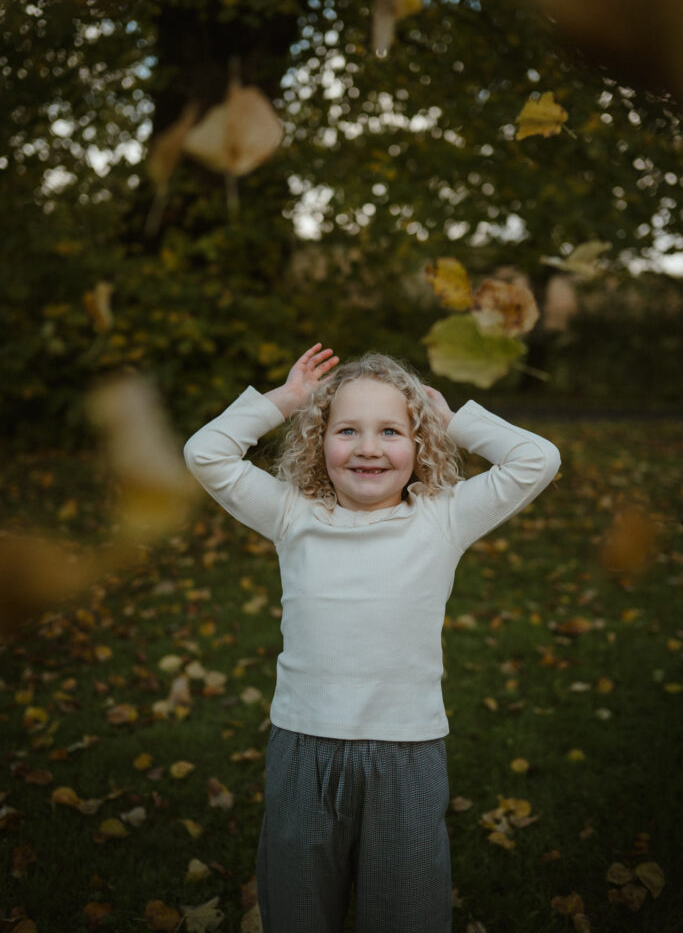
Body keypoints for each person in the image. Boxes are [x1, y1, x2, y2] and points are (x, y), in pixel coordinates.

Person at [183, 343, 561, 933]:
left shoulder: (443, 518)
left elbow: (537, 459)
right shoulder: (292, 515)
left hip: (407, 753)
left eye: (390, 431)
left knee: (405, 909)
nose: (367, 448)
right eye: (347, 430)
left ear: (420, 444)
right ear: (318, 441)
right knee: (299, 910)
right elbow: (206, 453)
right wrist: (284, 399)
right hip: (303, 747)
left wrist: (454, 418)